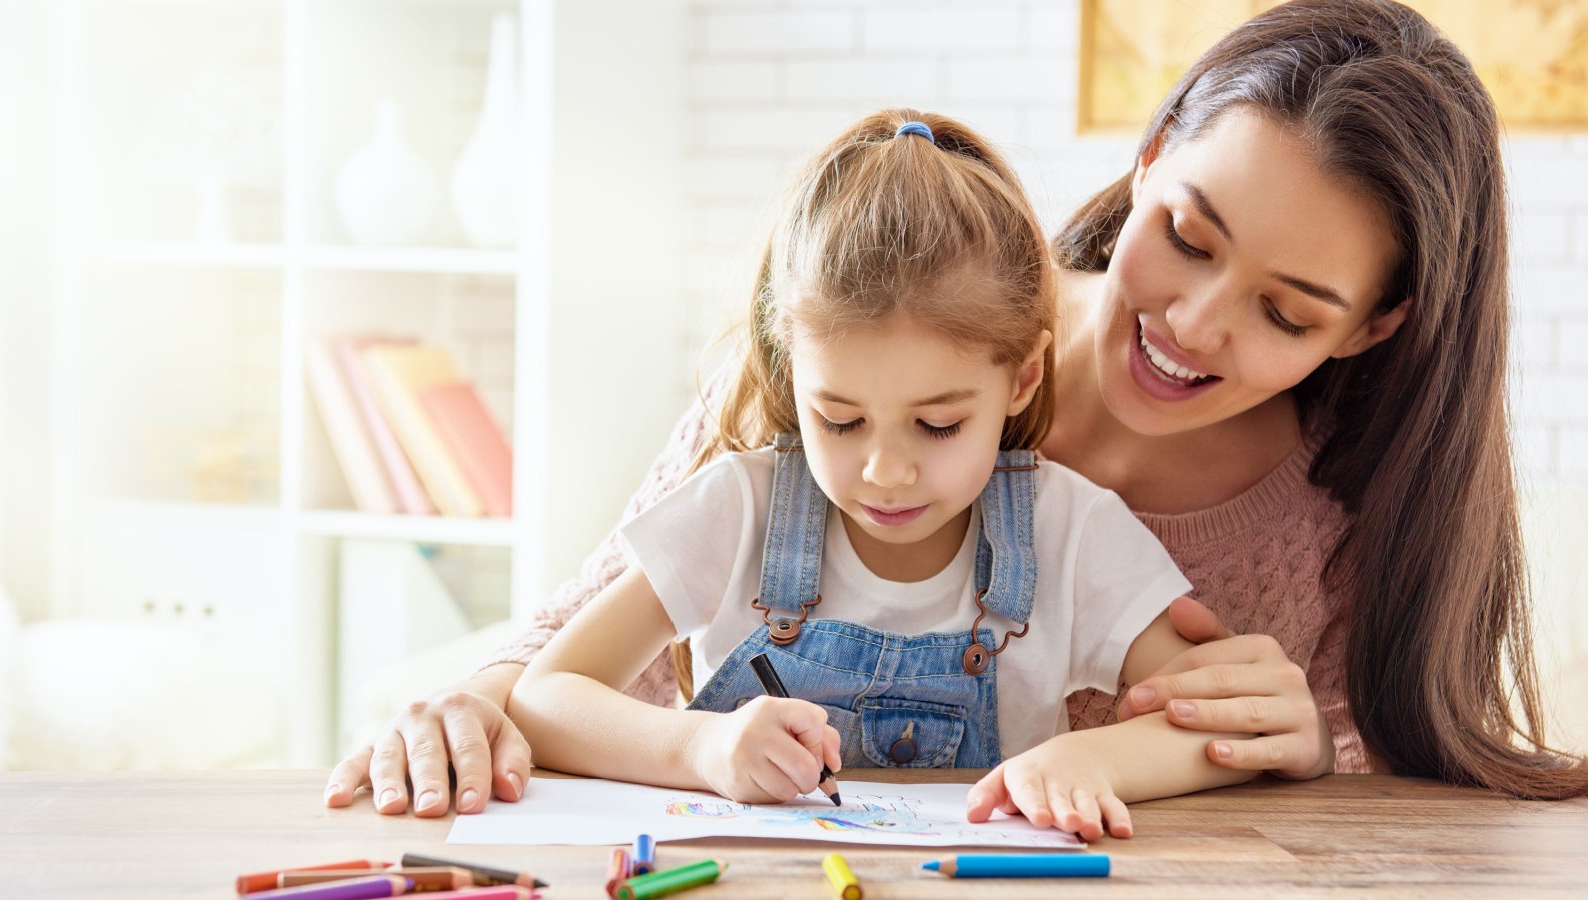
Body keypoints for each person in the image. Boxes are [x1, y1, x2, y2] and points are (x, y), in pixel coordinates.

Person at [325, 0, 1588, 819]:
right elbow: (579, 644)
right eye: (1186, 236)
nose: (1197, 323)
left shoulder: (1340, 516)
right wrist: (476, 700)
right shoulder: (888, 322)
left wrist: (1305, 749)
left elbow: (1360, 799)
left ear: (1373, 326)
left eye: (1286, 313)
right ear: (1145, 164)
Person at [515, 109, 1254, 839]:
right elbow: (544, 696)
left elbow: (1215, 726)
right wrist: (699, 746)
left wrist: (1094, 761)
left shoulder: (1070, 532)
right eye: (839, 419)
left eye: (938, 425)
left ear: (1024, 378)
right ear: (790, 369)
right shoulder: (740, 509)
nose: (885, 472)